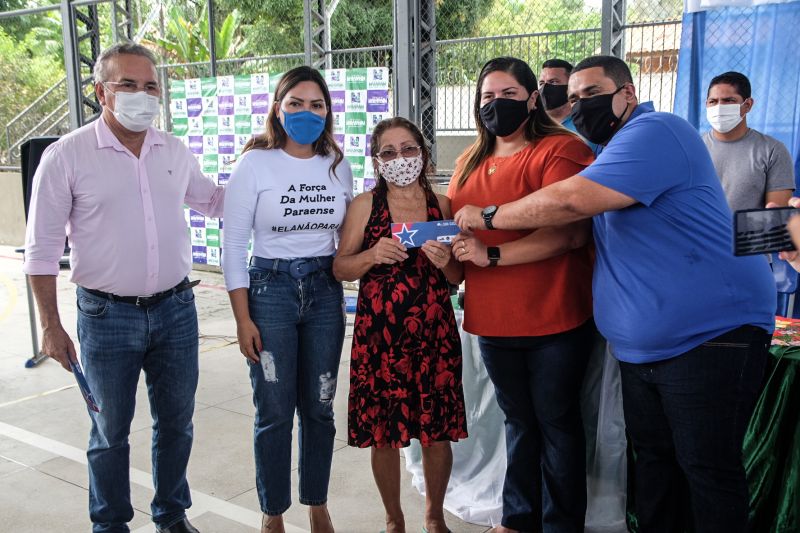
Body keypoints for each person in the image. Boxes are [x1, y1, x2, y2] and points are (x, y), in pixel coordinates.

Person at [454, 55, 776, 533]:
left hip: (710, 335)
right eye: (575, 96)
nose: (581, 105)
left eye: (592, 93)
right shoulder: (604, 152)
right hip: (644, 347)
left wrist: (487, 218)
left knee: (706, 471)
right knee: (655, 466)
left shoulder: (657, 130)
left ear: (628, 93)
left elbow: (568, 205)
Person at [22, 43, 224, 533]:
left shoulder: (173, 150)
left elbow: (215, 202)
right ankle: (110, 524)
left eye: (151, 85)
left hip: (176, 310)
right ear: (101, 93)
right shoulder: (65, 156)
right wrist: (51, 325)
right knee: (109, 432)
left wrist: (270, 179)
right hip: (106, 317)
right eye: (127, 85)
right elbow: (41, 250)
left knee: (176, 424)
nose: (142, 95)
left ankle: (171, 516)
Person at [447, 56, 596, 533]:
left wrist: (490, 255)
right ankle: (518, 518)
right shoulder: (469, 162)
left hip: (555, 316)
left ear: (533, 98)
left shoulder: (562, 151)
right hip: (492, 320)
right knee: (519, 423)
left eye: (509, 94)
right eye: (488, 97)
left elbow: (569, 234)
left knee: (557, 425)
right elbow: (456, 235)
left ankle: (561, 525)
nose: (497, 105)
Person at [221, 66, 352, 533]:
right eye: (295, 102)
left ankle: (317, 501)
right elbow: (234, 245)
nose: (305, 111)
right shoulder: (254, 163)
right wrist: (242, 318)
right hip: (269, 292)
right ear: (277, 109)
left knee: (318, 406)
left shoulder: (337, 163)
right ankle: (272, 511)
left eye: (316, 104)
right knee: (274, 410)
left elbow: (347, 236)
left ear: (328, 112)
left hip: (323, 292)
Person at [332, 117, 467, 533]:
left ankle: (433, 514)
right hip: (380, 338)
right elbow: (339, 266)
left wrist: (448, 264)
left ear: (423, 154)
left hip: (434, 335)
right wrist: (372, 255)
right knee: (384, 434)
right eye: (388, 152)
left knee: (435, 432)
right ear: (377, 161)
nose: (400, 159)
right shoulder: (364, 206)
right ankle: (394, 517)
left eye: (408, 149)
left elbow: (458, 277)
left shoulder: (442, 206)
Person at [704, 71, 795, 210]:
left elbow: (776, 216)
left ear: (748, 105)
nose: (719, 107)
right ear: (706, 105)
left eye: (729, 100)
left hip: (748, 232)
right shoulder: (694, 147)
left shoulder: (772, 150)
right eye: (713, 101)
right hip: (698, 232)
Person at [539, 58, 598, 153]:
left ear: (571, 86)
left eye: (553, 82)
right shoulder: (533, 125)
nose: (544, 88)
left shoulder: (588, 125)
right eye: (541, 83)